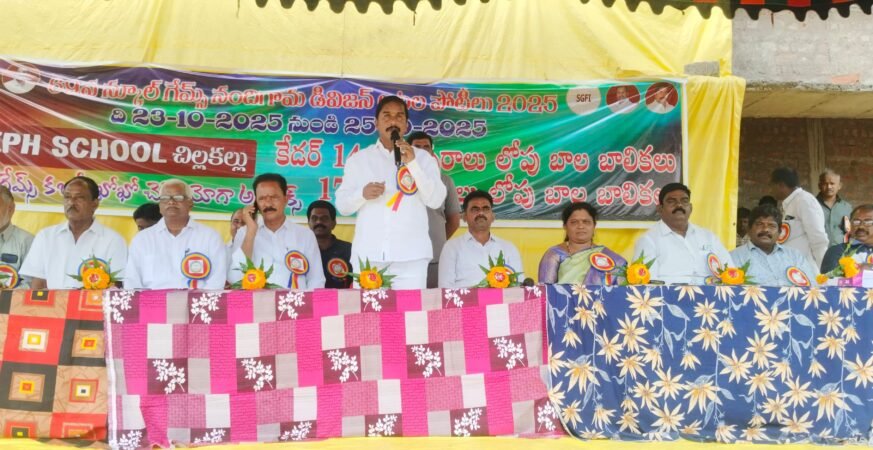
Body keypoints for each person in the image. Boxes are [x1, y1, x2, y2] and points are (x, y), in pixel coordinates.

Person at [335, 96, 446, 289]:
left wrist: (413, 164)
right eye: (387, 116)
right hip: (369, 257)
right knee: (368, 309)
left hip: (412, 258)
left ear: (406, 125)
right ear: (376, 123)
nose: (393, 121)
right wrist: (362, 194)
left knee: (411, 309)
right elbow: (342, 206)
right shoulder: (359, 160)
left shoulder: (423, 159)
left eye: (399, 116)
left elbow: (436, 200)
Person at [20, 176, 127, 289]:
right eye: (67, 197)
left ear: (95, 204)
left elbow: (117, 286)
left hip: (94, 301)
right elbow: (37, 283)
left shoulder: (113, 240)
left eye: (79, 198)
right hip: (52, 300)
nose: (71, 202)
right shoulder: (46, 236)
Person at [226, 173, 324, 289]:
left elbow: (316, 279)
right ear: (255, 204)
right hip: (257, 300)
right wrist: (251, 232)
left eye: (274, 197)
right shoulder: (244, 233)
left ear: (286, 199)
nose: (268, 204)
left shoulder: (305, 235)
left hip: (295, 300)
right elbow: (234, 278)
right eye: (262, 199)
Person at [125, 179, 227, 289]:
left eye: (178, 197)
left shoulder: (209, 237)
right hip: (153, 299)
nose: (171, 202)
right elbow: (132, 281)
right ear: (160, 205)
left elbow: (217, 280)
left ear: (190, 203)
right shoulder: (142, 239)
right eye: (165, 198)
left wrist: (199, 300)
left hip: (196, 299)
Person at [633, 182, 733, 284]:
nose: (679, 205)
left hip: (710, 293)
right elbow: (648, 284)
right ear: (660, 209)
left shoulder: (709, 237)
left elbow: (729, 272)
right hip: (669, 293)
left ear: (691, 208)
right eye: (671, 201)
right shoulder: (648, 240)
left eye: (684, 201)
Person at [407, 131, 461, 288]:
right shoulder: (399, 179)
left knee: (435, 299)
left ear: (432, 152)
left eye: (427, 147)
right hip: (405, 257)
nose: (423, 151)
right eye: (417, 147)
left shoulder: (444, 180)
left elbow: (454, 220)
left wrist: (438, 241)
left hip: (435, 257)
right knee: (407, 299)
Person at [439, 190, 523, 288]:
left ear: (493, 216)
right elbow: (444, 289)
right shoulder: (451, 247)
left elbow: (518, 286)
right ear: (464, 217)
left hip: (500, 298)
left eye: (486, 209)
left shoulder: (509, 248)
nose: (481, 213)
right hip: (465, 298)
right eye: (475, 209)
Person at [538, 202, 627, 284]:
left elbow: (620, 291)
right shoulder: (554, 254)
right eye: (574, 222)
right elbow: (545, 290)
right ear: (565, 226)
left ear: (594, 225)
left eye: (586, 222)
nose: (580, 226)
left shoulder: (608, 256)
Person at [730, 205, 819, 287]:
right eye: (759, 224)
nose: (765, 229)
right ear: (749, 230)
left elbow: (812, 287)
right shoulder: (734, 257)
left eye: (772, 225)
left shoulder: (795, 256)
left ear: (779, 232)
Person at [771, 166, 829, 268]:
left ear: (781, 185)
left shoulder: (804, 200)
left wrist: (824, 271)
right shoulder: (788, 203)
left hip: (804, 268)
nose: (771, 190)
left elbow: (818, 239)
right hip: (789, 266)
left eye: (772, 186)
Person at [307, 200, 352, 289]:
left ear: (334, 223)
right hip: (309, 297)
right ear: (308, 223)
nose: (319, 222)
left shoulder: (349, 250)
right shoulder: (302, 250)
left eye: (324, 218)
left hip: (342, 297)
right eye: (314, 218)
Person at [821, 204, 873, 274]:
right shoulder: (837, 251)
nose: (861, 226)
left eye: (868, 222)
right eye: (856, 222)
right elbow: (828, 278)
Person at [0, 186, 34, 288]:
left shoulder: (27, 241)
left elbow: (30, 283)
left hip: (10, 297)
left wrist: (4, 294)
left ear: (10, 209)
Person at [816, 169, 852, 246]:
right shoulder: (811, 205)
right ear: (819, 186)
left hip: (840, 249)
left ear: (839, 186)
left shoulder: (847, 207)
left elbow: (850, 232)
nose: (829, 187)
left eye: (832, 183)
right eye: (825, 184)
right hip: (817, 249)